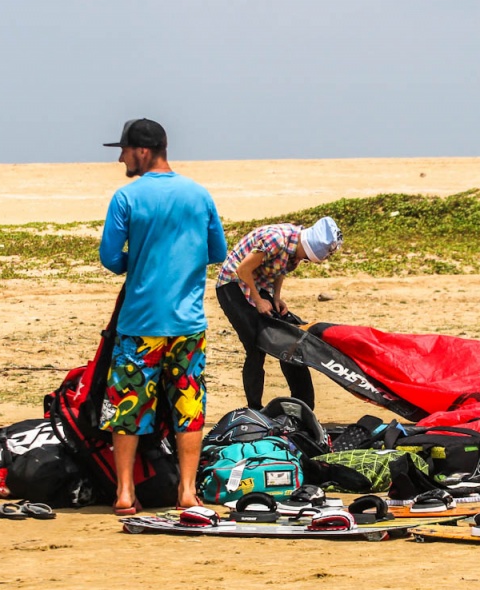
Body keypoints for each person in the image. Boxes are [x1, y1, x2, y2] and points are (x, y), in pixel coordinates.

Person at [98, 118, 228, 513]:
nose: (120, 157)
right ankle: (187, 492)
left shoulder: (126, 197)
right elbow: (218, 252)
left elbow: (109, 257)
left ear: (142, 151)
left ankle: (124, 493)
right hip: (187, 325)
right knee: (189, 404)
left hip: (140, 324)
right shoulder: (199, 194)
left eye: (123, 150)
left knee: (128, 406)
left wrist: (135, 262)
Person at [215, 218, 343, 410]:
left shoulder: (295, 248)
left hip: (258, 284)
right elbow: (243, 270)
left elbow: (280, 269)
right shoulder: (276, 240)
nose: (302, 261)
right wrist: (258, 300)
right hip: (232, 284)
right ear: (306, 247)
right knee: (255, 348)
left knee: (292, 339)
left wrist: (276, 297)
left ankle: (303, 404)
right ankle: (254, 408)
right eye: (306, 258)